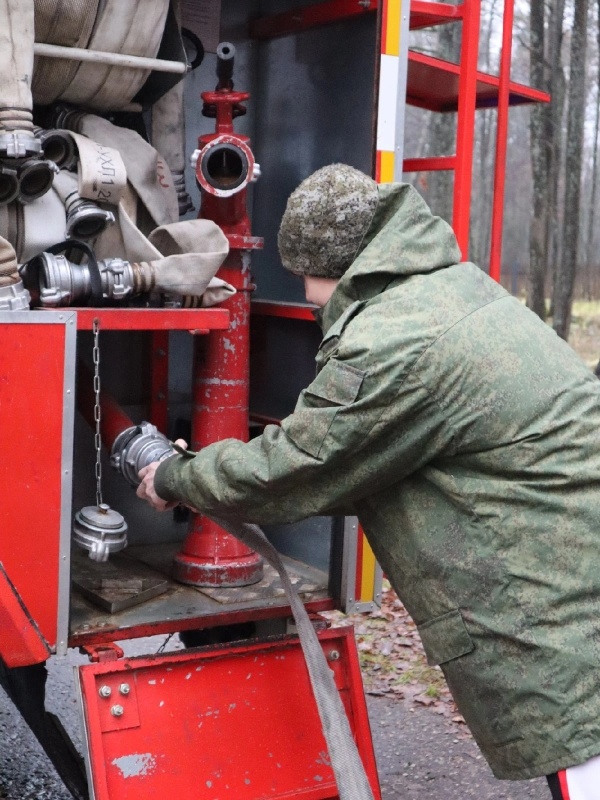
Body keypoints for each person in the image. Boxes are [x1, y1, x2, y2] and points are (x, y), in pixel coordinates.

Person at [137, 164, 600, 799]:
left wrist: (175, 475)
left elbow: (292, 468)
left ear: (330, 261)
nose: (306, 296)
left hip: (558, 613)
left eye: (304, 275)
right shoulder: (451, 289)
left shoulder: (394, 340)